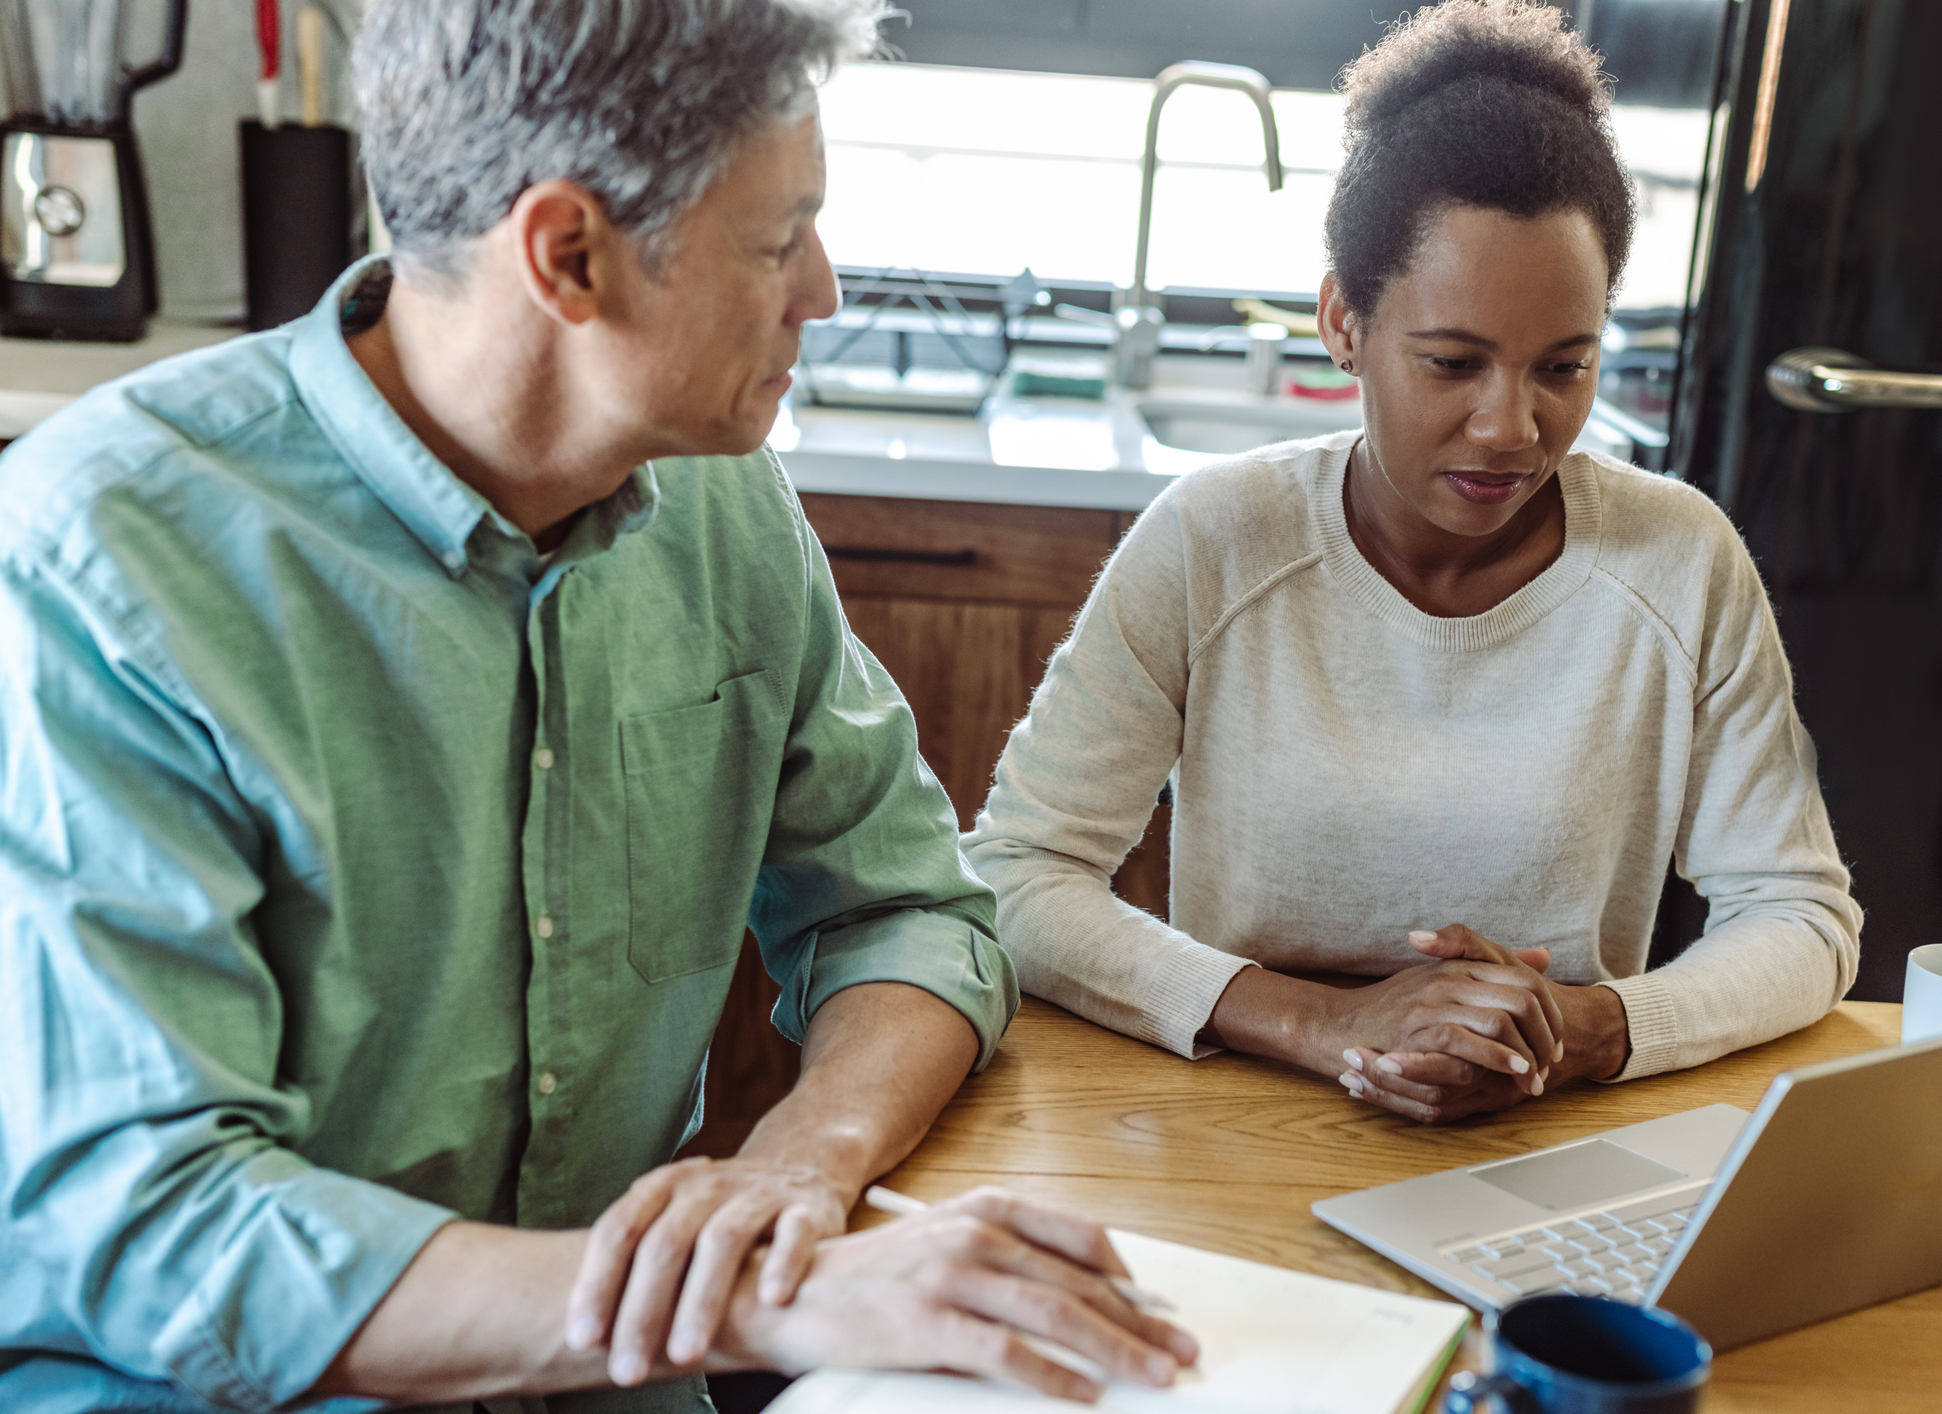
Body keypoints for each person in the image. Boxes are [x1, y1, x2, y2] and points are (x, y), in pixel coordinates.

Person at [0, 2, 1196, 1410]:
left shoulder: (722, 498)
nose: (824, 286)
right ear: (569, 254)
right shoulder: (101, 558)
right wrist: (763, 1294)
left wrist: (799, 1170)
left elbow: (908, 910)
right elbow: (157, 1222)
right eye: (777, 238)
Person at [964, 0, 1862, 1124]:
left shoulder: (1678, 561)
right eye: (1451, 361)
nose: (1509, 427)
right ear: (1343, 320)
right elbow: (1013, 875)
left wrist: (1588, 1031)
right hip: (1238, 1105)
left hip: (1551, 1121)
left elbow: (1800, 917)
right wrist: (1323, 1021)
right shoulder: (1213, 538)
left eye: (1561, 367)